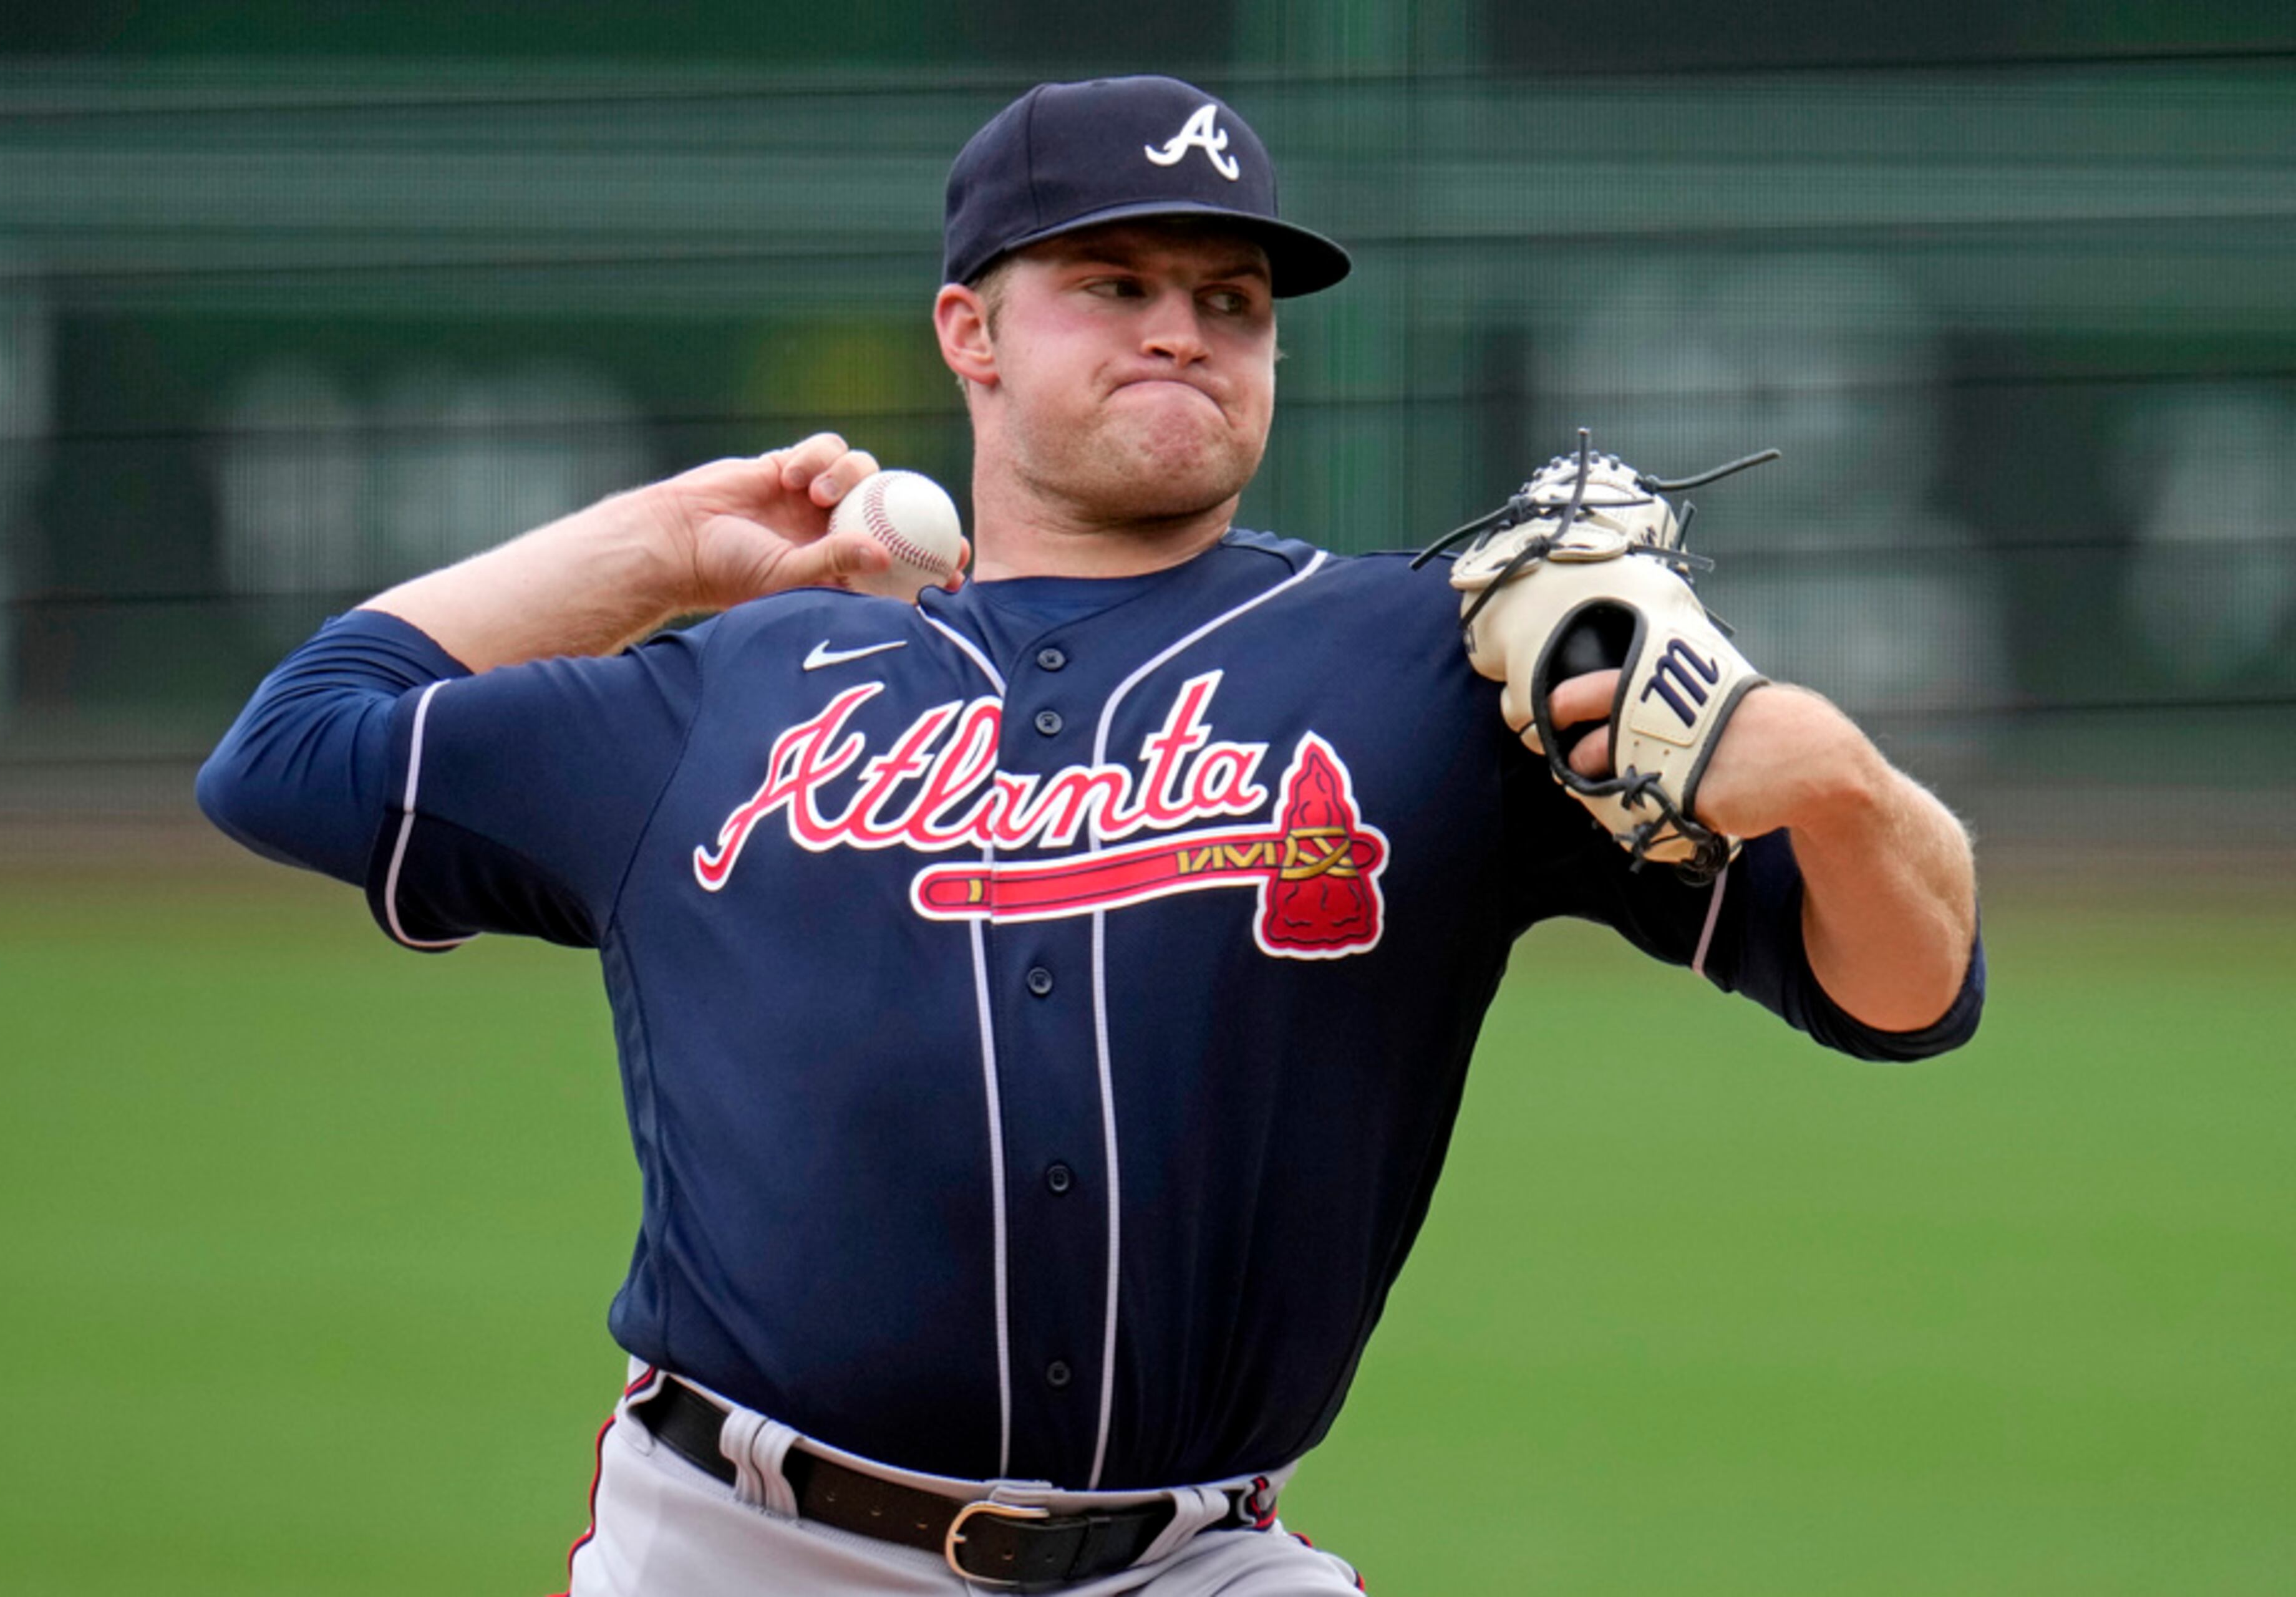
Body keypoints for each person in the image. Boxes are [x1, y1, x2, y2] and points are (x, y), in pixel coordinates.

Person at [198, 75, 1982, 1596]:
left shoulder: (1436, 670)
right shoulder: (727, 692)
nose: (1181, 328)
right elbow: (288, 753)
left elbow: (1909, 990)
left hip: (1196, 1557)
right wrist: (666, 545)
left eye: (1232, 297)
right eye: (1112, 280)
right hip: (752, 1546)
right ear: (967, 329)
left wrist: (1829, 779)